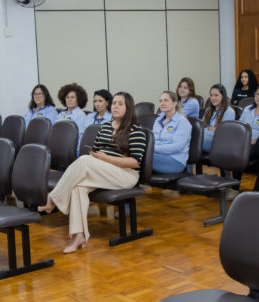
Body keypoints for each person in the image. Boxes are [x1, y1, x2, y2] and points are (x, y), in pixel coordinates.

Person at [40, 92, 147, 254]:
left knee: (84, 160)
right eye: (114, 103)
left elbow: (135, 162)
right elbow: (96, 150)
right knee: (78, 187)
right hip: (102, 169)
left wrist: (107, 159)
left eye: (120, 104)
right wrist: (97, 157)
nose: (115, 106)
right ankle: (78, 236)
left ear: (128, 108)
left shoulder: (136, 130)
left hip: (126, 174)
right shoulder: (105, 126)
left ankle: (54, 198)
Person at [152, 90, 191, 174]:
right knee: (137, 154)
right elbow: (153, 140)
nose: (162, 103)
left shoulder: (182, 122)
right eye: (160, 101)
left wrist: (153, 149)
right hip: (157, 156)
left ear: (174, 103)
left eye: (166, 100)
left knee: (140, 156)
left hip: (175, 161)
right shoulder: (158, 120)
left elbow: (177, 147)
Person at [201, 83, 236, 153]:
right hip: (205, 137)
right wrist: (209, 129)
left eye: (216, 95)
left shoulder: (229, 112)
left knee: (195, 139)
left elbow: (222, 131)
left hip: (219, 142)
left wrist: (207, 129)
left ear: (223, 96)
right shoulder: (208, 110)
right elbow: (201, 127)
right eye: (211, 95)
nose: (213, 98)